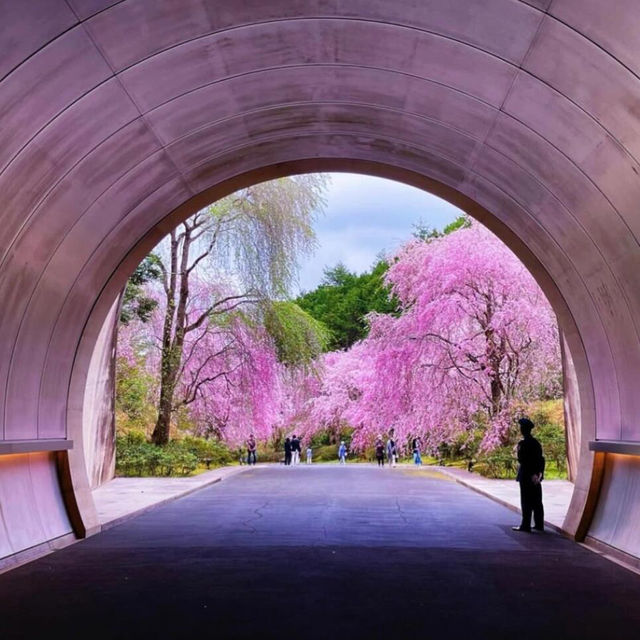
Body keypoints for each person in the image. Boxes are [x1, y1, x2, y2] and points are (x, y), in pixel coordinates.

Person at [512, 417, 545, 533]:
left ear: (523, 430)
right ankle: (539, 524)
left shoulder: (523, 443)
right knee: (537, 500)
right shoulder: (536, 443)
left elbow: (521, 459)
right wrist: (539, 473)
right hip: (535, 475)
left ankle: (525, 525)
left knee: (526, 501)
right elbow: (541, 459)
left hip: (526, 475)